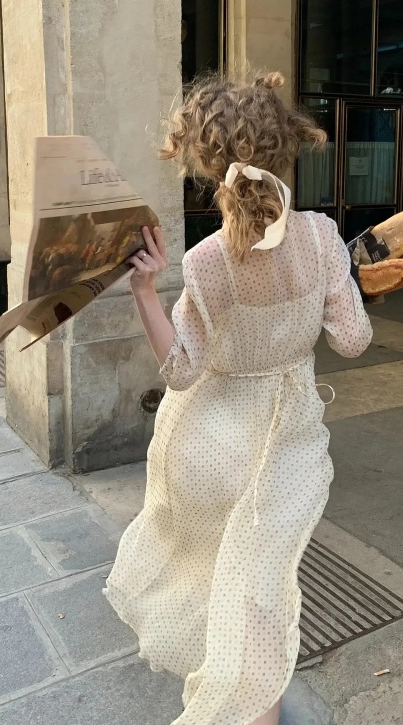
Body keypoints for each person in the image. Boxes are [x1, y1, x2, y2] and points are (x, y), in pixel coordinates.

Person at [104, 72, 373, 725]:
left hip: (206, 449)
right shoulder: (322, 238)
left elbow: (180, 371)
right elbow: (353, 340)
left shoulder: (205, 261)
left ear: (204, 164)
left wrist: (144, 291)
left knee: (213, 585)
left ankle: (231, 696)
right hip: (285, 447)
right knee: (260, 597)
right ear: (286, 147)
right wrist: (343, 280)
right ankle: (251, 707)